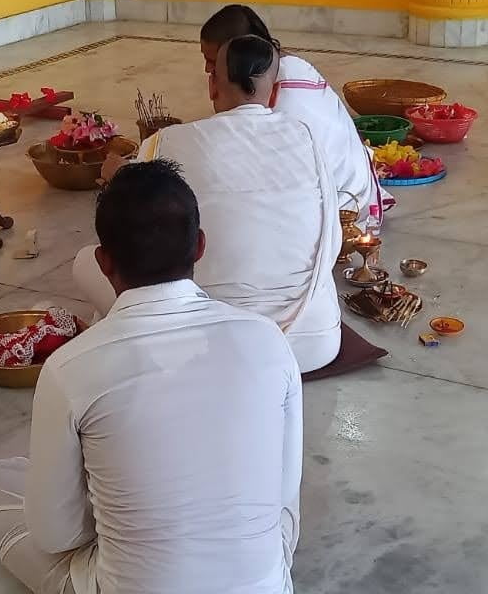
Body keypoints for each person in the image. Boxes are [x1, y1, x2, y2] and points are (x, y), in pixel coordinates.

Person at [0, 160, 303, 594]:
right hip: (263, 585)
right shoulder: (268, 340)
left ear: (104, 262)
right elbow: (282, 493)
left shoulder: (71, 367)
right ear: (199, 246)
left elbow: (56, 537)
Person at [86, 35, 387, 380]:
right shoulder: (306, 135)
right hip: (314, 344)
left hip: (212, 349)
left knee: (88, 262)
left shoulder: (168, 141)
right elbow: (331, 242)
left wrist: (115, 175)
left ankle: (116, 351)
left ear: (213, 83)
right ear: (274, 91)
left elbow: (134, 222)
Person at [199, 4, 389, 225]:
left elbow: (251, 165)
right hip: (356, 187)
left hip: (339, 207)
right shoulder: (289, 66)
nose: (206, 69)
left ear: (238, 53)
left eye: (211, 61)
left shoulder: (280, 96)